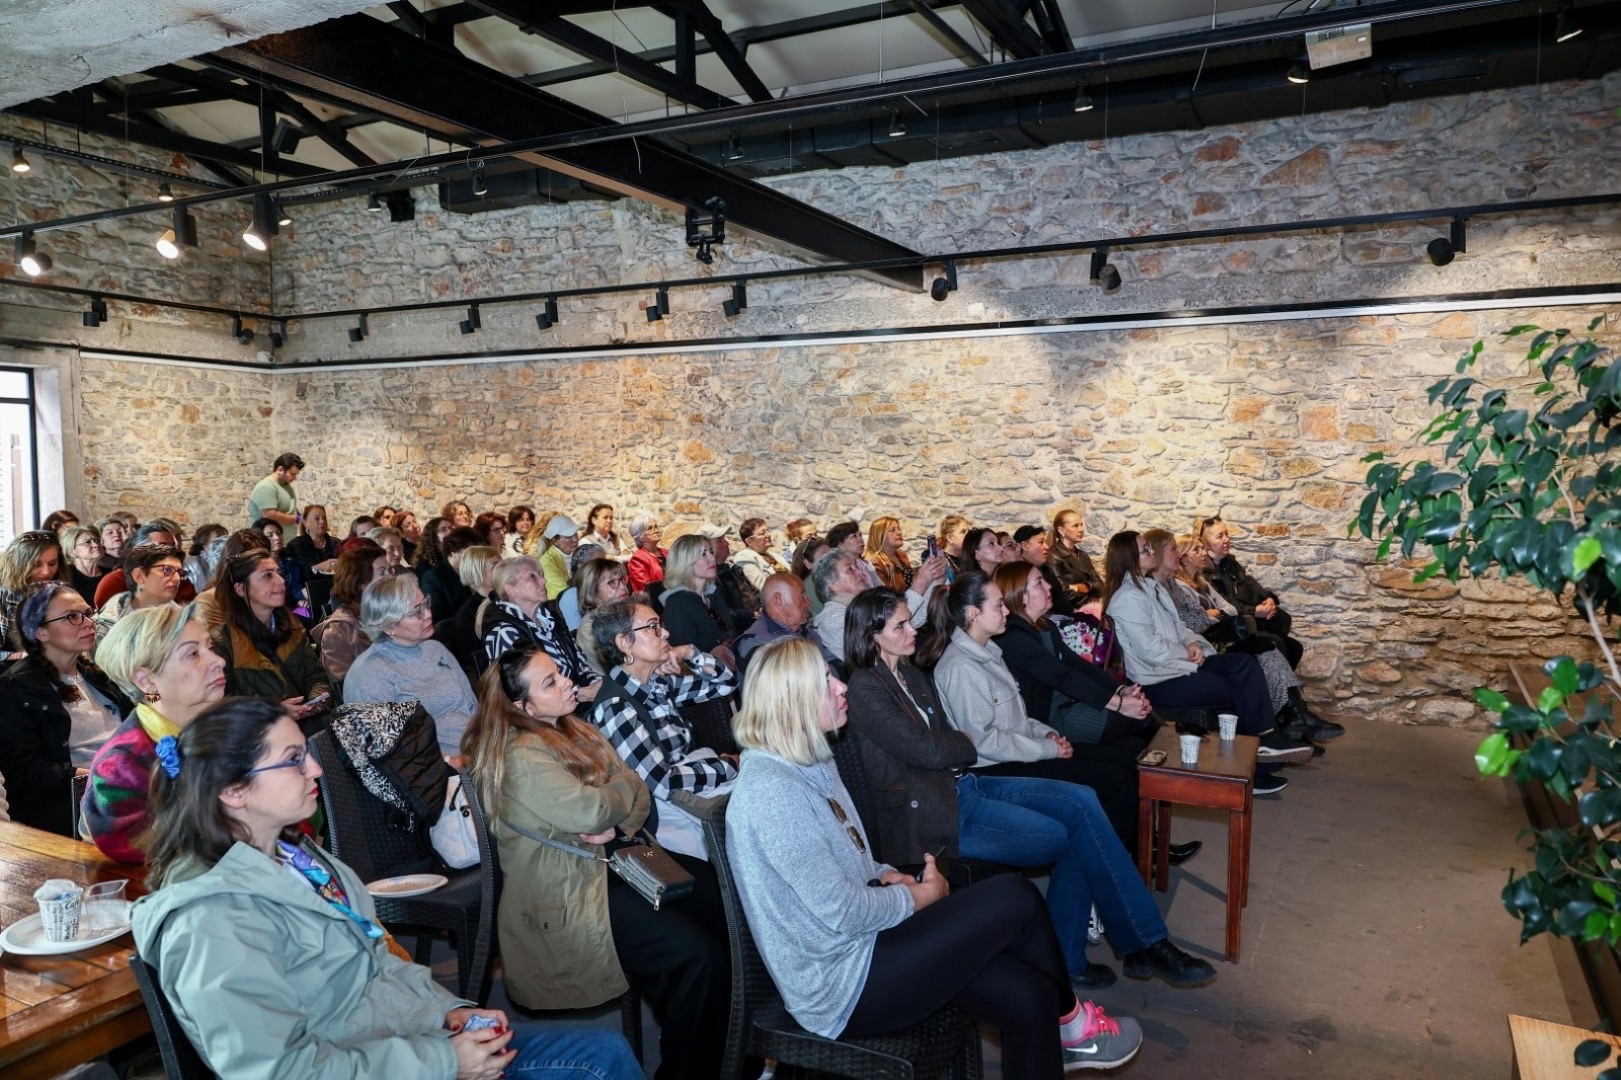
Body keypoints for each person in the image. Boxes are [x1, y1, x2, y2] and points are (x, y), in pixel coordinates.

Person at [132, 696, 641, 1080]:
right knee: (597, 1063)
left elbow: (378, 962)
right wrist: (443, 1060)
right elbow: (280, 1070)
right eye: (293, 759)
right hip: (392, 1062)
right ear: (234, 791)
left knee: (603, 1054)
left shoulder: (298, 855)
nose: (314, 768)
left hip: (400, 1045)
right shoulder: (210, 921)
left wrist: (452, 1012)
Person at [725, 636, 1143, 1075]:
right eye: (825, 681)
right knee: (1014, 897)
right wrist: (921, 898)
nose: (841, 686)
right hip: (840, 986)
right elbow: (842, 912)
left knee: (1029, 997)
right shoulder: (773, 794)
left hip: (866, 944)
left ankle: (1068, 1027)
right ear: (792, 702)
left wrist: (890, 875)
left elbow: (854, 856)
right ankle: (1074, 1025)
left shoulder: (808, 760)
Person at [843, 587, 1214, 989]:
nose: (913, 628)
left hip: (960, 784)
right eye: (900, 624)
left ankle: (1127, 945)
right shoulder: (866, 689)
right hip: (934, 812)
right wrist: (961, 743)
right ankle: (1113, 948)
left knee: (1084, 801)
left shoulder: (909, 673)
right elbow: (934, 748)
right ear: (872, 634)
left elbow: (946, 742)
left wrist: (959, 744)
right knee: (1077, 832)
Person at [463, 645, 729, 1080]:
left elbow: (636, 790)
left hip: (615, 861)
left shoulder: (576, 730)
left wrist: (616, 812)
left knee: (721, 901)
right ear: (522, 707)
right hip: (570, 892)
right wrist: (616, 801)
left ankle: (727, 1053)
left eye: (560, 673)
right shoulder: (520, 755)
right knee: (695, 956)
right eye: (551, 682)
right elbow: (593, 810)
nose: (568, 682)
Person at [921, 571, 1147, 850]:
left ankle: (1131, 852)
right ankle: (1119, 859)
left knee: (1125, 764)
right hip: (996, 769)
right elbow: (983, 742)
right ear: (972, 614)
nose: (1006, 610)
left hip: (1019, 753)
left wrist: (1048, 734)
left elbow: (1017, 716)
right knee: (1115, 781)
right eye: (998, 605)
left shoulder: (989, 651)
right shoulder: (961, 667)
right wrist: (1047, 749)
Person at [1102, 531, 1304, 794]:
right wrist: (1186, 652)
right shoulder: (1128, 597)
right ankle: (1254, 770)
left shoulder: (1152, 587)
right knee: (1235, 689)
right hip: (1158, 679)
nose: (1151, 552)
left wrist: (1192, 643)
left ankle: (1266, 738)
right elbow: (1151, 650)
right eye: (1144, 550)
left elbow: (1179, 626)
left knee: (1243, 664)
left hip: (1179, 663)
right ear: (1128, 558)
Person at [587, 599, 738, 859]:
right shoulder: (615, 707)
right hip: (667, 818)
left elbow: (726, 683)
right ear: (624, 643)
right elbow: (662, 782)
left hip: (692, 788)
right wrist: (726, 768)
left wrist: (689, 653)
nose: (666, 633)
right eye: (653, 627)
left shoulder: (654, 684)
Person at [85, 603, 227, 862]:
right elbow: (137, 852)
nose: (219, 661)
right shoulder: (120, 765)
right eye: (193, 654)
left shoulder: (226, 727)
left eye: (211, 647)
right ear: (146, 681)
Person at [1175, 534, 1342, 743]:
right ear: (1183, 558)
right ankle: (1289, 717)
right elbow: (1199, 620)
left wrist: (1217, 613)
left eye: (1202, 548)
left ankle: (1293, 713)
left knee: (1284, 645)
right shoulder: (1179, 586)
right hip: (1212, 644)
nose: (1202, 553)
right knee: (1267, 645)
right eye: (1196, 550)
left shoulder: (1203, 582)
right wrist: (1217, 614)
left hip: (1223, 634)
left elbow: (1229, 608)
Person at [0, 583, 132, 836]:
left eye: (87, 613)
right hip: (74, 811)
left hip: (121, 791)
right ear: (40, 632)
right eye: (72, 617)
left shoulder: (95, 674)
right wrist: (98, 775)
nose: (87, 622)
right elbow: (25, 773)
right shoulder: (14, 688)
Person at [345, 576, 477, 755]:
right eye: (416, 612)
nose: (428, 614)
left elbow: (471, 706)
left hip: (477, 750)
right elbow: (385, 752)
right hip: (436, 771)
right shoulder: (370, 674)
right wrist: (451, 763)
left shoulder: (435, 649)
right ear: (387, 626)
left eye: (426, 603)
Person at [210, 551, 331, 724]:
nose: (281, 581)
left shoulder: (293, 626)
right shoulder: (221, 642)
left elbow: (316, 677)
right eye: (267, 576)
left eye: (278, 573)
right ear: (240, 589)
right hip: (260, 740)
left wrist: (315, 702)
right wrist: (274, 711)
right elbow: (221, 706)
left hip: (306, 727)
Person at [483, 556, 602, 699]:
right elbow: (525, 695)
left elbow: (579, 662)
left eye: (541, 575)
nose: (543, 581)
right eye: (532, 576)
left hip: (573, 700)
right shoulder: (504, 633)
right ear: (511, 589)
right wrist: (581, 693)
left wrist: (596, 684)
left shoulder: (549, 618)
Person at [1196, 514, 1305, 669]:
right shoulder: (1205, 573)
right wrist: (1255, 611)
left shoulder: (1230, 563)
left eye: (1227, 534)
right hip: (1228, 629)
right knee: (1275, 644)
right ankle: (1280, 691)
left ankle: (1284, 690)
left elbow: (1250, 583)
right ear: (1204, 543)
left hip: (1247, 620)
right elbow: (1226, 605)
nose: (1226, 539)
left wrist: (1269, 599)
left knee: (1295, 648)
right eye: (1220, 536)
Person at [311, 542, 386, 688]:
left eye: (391, 571)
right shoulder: (338, 631)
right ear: (360, 582)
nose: (392, 578)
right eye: (383, 572)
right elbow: (348, 690)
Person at [734, 573, 838, 671]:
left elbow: (835, 662)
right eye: (802, 597)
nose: (808, 603)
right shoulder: (755, 644)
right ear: (778, 600)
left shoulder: (805, 631)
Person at [659, 533, 737, 664]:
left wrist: (724, 645)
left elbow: (725, 630)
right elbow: (685, 660)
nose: (712, 558)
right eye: (703, 554)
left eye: (711, 552)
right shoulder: (677, 606)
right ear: (684, 562)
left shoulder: (709, 595)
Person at [93, 542, 185, 646]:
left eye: (180, 572)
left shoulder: (182, 619)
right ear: (139, 576)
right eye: (167, 570)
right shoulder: (108, 626)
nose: (177, 578)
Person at [0, 529, 66, 653]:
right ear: (19, 564)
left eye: (52, 563)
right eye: (36, 565)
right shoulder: (4, 597)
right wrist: (21, 656)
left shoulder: (61, 592)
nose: (46, 572)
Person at [574, 557, 632, 677]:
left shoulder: (624, 612)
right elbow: (616, 674)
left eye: (621, 579)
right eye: (612, 582)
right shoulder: (589, 630)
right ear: (592, 592)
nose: (622, 586)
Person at [287, 503, 339, 617]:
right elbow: (292, 579)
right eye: (317, 518)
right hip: (308, 598)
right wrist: (319, 567)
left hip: (335, 595)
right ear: (305, 523)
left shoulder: (337, 543)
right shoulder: (295, 546)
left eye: (324, 518)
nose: (322, 522)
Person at [423, 527, 481, 623]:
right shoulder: (433, 577)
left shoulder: (474, 570)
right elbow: (439, 616)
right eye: (469, 552)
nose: (474, 557)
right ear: (454, 550)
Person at [247, 451, 303, 543]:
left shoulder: (286, 486)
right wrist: (297, 518)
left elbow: (290, 509)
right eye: (292, 474)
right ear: (280, 470)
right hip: (268, 544)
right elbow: (270, 516)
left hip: (286, 543)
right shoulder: (266, 487)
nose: (294, 478)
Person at [1050, 508, 1100, 605]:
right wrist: (1090, 595)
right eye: (1075, 526)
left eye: (1081, 525)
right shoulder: (1053, 556)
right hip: (1065, 615)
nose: (1081, 529)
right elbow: (1063, 593)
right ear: (1061, 530)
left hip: (1085, 613)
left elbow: (1100, 586)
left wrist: (1080, 587)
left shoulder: (1083, 555)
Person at [731, 517, 790, 592]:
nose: (768, 535)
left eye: (768, 531)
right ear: (749, 541)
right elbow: (762, 586)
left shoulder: (776, 556)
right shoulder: (745, 556)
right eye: (762, 533)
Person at [535, 514, 581, 597]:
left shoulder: (579, 555)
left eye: (575, 534)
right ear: (555, 541)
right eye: (568, 537)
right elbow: (566, 592)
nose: (575, 539)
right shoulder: (547, 562)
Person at [62, 524, 108, 605]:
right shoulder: (64, 576)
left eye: (97, 540)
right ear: (72, 551)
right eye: (87, 542)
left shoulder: (110, 574)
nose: (95, 545)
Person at [625, 512, 668, 593]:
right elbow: (645, 590)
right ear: (639, 536)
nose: (656, 531)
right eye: (650, 528)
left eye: (656, 527)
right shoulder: (637, 559)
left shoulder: (666, 552)